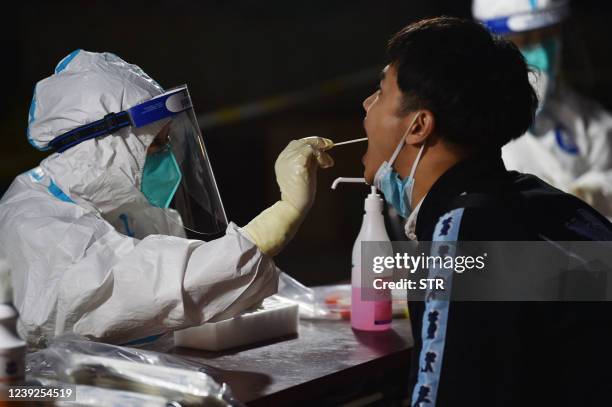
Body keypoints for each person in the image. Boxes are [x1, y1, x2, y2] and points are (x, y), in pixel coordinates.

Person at [0, 50, 333, 346]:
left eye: (168, 140)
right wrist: (280, 216)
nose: (167, 156)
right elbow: (130, 291)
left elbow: (195, 301)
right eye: (156, 143)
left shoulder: (136, 210)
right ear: (104, 146)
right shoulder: (32, 219)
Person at [361, 17, 612, 406]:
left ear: (419, 125)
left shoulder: (462, 239)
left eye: (380, 93)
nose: (366, 105)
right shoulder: (544, 201)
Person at [473, 0, 612, 219]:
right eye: (525, 39)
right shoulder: (468, 129)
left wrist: (592, 192)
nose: (542, 54)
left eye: (548, 36)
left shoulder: (583, 117)